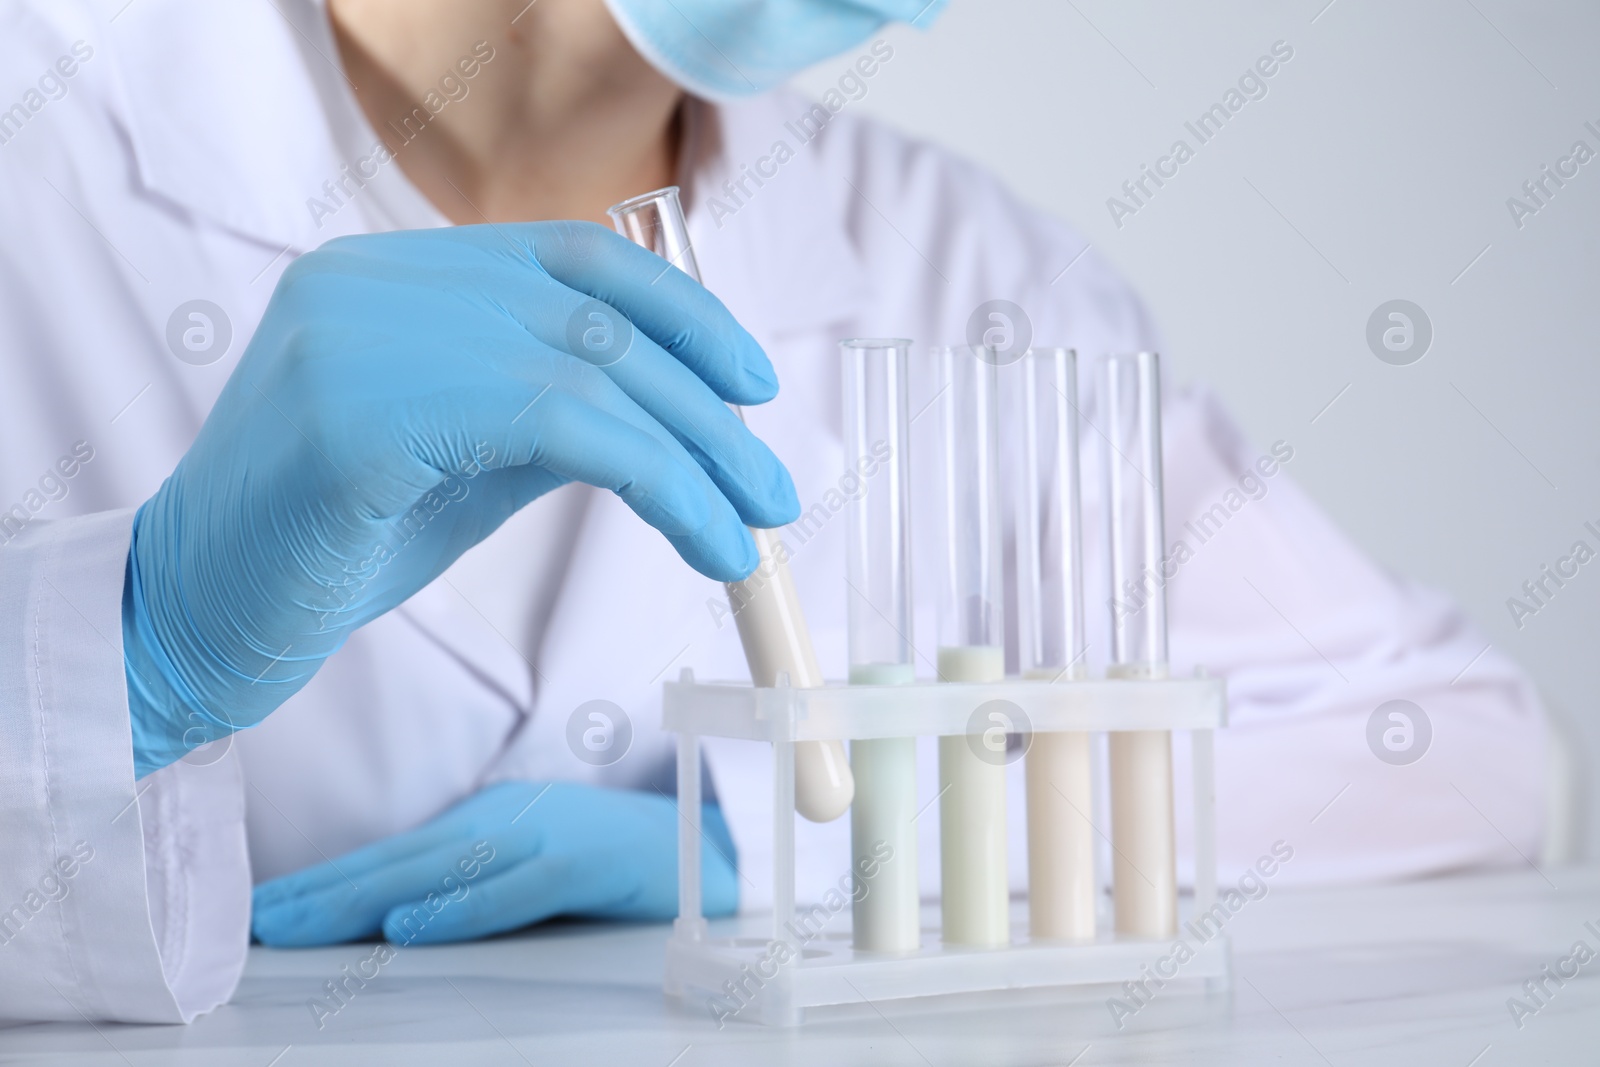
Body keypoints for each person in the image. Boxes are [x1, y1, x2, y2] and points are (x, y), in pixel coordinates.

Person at [0, 0, 1544, 1024]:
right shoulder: (43, 115)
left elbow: (1463, 751)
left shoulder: (972, 277)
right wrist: (134, 655)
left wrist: (797, 841)